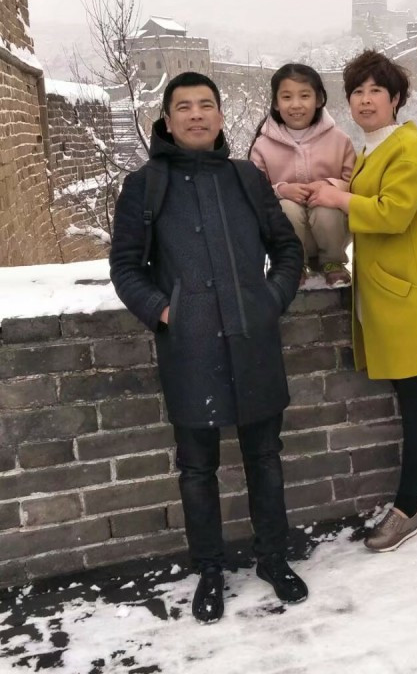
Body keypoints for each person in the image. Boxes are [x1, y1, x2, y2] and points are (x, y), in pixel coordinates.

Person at [109, 71, 308, 624]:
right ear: (167, 120)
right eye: (184, 107)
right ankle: (211, 569)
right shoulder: (145, 185)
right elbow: (125, 267)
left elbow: (287, 249)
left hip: (253, 339)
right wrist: (165, 311)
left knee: (265, 458)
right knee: (197, 469)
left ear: (220, 116)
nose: (196, 115)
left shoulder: (246, 178)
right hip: (189, 347)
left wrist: (270, 300)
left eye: (205, 105)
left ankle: (273, 557)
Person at [307, 51, 417, 552]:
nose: (365, 99)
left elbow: (394, 213)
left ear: (396, 98)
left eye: (376, 90)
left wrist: (338, 199)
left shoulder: (408, 147)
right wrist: (344, 186)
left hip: (414, 301)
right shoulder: (376, 147)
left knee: (416, 408)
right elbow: (373, 191)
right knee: (411, 403)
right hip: (394, 298)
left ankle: (407, 507)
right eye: (357, 91)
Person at [249, 63, 355, 287]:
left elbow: (355, 184)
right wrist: (281, 190)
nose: (296, 104)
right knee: (286, 207)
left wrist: (329, 187)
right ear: (276, 103)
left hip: (333, 233)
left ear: (318, 99)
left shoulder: (339, 140)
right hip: (287, 236)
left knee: (327, 207)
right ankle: (294, 265)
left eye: (304, 96)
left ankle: (333, 264)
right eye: (287, 97)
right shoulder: (263, 146)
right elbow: (254, 191)